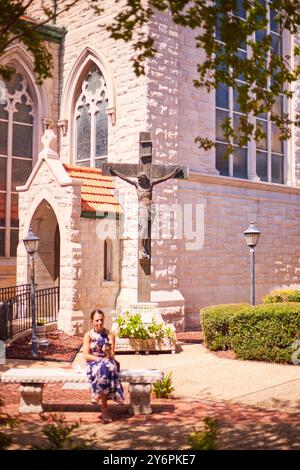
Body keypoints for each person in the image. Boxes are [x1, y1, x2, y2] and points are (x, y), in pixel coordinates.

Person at [108, 166, 183, 259]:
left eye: (140, 179)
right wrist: (115, 171)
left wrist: (174, 173)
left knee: (148, 230)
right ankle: (142, 248)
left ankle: (146, 249)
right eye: (138, 179)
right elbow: (125, 178)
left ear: (144, 178)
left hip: (151, 208)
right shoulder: (136, 184)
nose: (138, 181)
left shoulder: (150, 184)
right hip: (142, 208)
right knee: (144, 228)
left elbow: (163, 179)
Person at [83, 309, 124, 423]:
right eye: (97, 321)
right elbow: (86, 356)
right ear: (92, 321)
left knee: (107, 367)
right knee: (104, 369)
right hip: (94, 362)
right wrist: (99, 359)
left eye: (101, 320)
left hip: (108, 360)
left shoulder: (110, 334)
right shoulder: (88, 336)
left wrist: (107, 352)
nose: (99, 323)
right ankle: (105, 411)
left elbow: (112, 355)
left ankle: (97, 395)